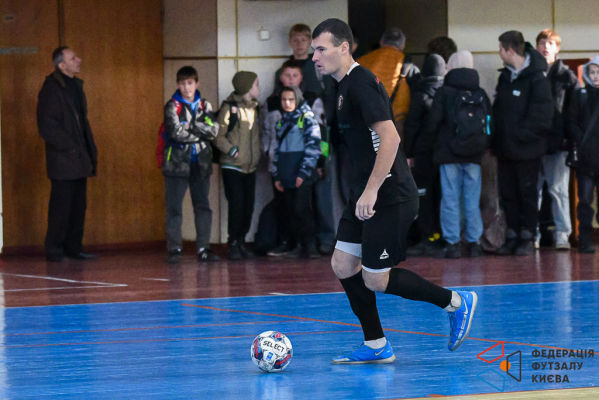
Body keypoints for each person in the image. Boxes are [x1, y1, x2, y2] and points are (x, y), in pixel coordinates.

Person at [311, 18, 478, 364]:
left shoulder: (361, 84)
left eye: (321, 49)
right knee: (343, 264)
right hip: (366, 192)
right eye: (314, 50)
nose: (315, 57)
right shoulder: (342, 86)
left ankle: (455, 302)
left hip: (390, 195)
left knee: (375, 279)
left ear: (343, 48)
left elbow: (390, 138)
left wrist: (371, 191)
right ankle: (376, 344)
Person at [492, 31, 554, 256]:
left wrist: (519, 135)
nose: (499, 53)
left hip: (527, 150)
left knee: (527, 194)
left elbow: (543, 117)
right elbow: (498, 111)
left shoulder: (537, 79)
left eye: (500, 49)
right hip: (504, 149)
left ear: (510, 50)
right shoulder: (505, 77)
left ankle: (527, 236)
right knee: (508, 195)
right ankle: (512, 235)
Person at [264, 60, 332, 256]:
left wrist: (320, 162)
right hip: (283, 169)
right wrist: (274, 169)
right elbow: (269, 139)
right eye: (287, 75)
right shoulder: (275, 108)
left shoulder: (310, 106)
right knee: (288, 209)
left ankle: (311, 245)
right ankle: (293, 245)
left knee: (304, 208)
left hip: (304, 168)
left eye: (295, 75)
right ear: (281, 78)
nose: (291, 79)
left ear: (301, 78)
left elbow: (321, 137)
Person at [427, 51, 491, 259]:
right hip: (474, 155)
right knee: (472, 199)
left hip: (449, 154)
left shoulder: (444, 92)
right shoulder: (480, 92)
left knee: (450, 198)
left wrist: (433, 144)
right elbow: (489, 123)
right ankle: (474, 242)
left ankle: (453, 243)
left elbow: (433, 122)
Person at [37, 47, 98, 262]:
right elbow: (47, 126)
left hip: (79, 157)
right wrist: (71, 147)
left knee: (78, 206)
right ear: (62, 65)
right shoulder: (51, 89)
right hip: (64, 159)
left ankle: (74, 247)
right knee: (61, 207)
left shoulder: (75, 86)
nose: (78, 60)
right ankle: (54, 250)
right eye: (73, 58)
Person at [161, 66, 220, 264]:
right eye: (182, 83)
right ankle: (174, 249)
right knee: (174, 208)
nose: (186, 88)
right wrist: (200, 131)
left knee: (202, 206)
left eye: (190, 83)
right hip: (176, 164)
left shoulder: (205, 105)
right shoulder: (172, 106)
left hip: (201, 163)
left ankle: (203, 248)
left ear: (197, 83)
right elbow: (175, 132)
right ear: (177, 84)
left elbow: (213, 131)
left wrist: (190, 126)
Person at [534, 29, 580, 250]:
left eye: (550, 43)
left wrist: (570, 140)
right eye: (542, 43)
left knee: (559, 191)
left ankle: (563, 235)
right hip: (533, 144)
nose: (546, 47)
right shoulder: (531, 74)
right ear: (536, 47)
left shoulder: (566, 77)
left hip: (558, 144)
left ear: (557, 49)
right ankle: (532, 235)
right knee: (533, 192)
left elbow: (575, 112)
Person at [214, 71, 262, 260]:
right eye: (256, 84)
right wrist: (232, 151)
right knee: (237, 205)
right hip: (232, 166)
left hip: (250, 166)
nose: (259, 88)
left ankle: (241, 240)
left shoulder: (255, 108)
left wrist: (258, 153)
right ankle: (233, 242)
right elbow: (218, 136)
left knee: (248, 206)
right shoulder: (229, 108)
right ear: (247, 87)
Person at [403, 54, 446, 256]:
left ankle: (427, 237)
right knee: (440, 195)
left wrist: (408, 153)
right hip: (443, 153)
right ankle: (439, 235)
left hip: (422, 154)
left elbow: (411, 127)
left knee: (423, 195)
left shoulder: (420, 94)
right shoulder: (447, 93)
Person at [272, 87, 322, 258]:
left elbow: (314, 148)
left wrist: (303, 173)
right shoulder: (281, 122)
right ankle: (299, 245)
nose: (287, 103)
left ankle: (311, 245)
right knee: (292, 211)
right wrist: (277, 175)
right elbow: (276, 151)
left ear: (298, 100)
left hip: (301, 174)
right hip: (286, 175)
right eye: (284, 99)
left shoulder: (306, 119)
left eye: (291, 99)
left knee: (303, 210)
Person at [567, 56, 599, 253]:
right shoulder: (580, 96)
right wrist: (580, 139)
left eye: (598, 72)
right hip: (586, 159)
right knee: (584, 201)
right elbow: (571, 121)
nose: (595, 76)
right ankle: (585, 239)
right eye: (592, 72)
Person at [357, 28, 411, 127]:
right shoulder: (407, 63)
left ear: (381, 42)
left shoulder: (361, 61)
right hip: (395, 119)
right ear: (403, 46)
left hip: (365, 118)